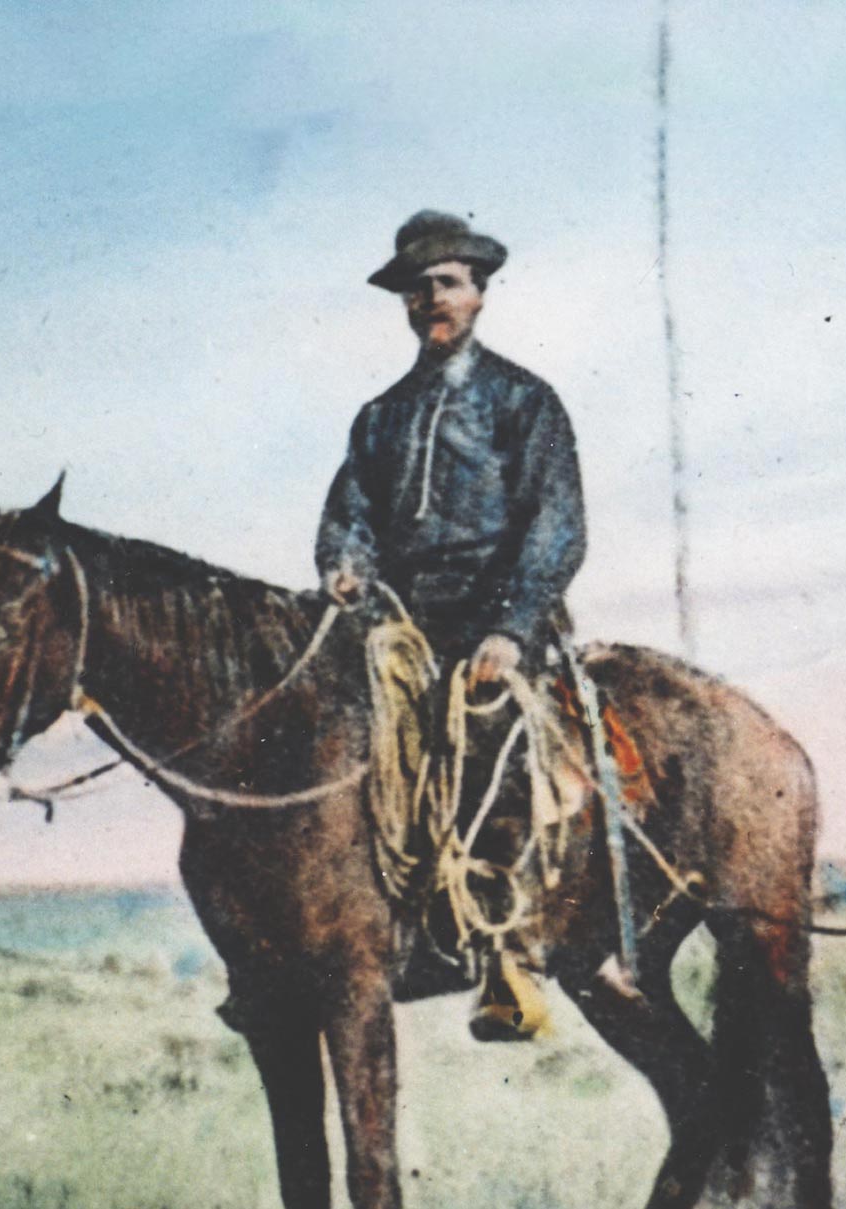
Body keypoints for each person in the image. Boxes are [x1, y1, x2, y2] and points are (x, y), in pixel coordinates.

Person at [317, 209, 587, 1039]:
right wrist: (344, 565)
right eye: (417, 287)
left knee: (489, 737)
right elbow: (347, 514)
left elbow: (555, 525)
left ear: (478, 293)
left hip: (497, 622)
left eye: (447, 283)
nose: (431, 298)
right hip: (399, 626)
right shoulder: (378, 417)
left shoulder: (525, 401)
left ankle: (504, 953)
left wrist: (511, 627)